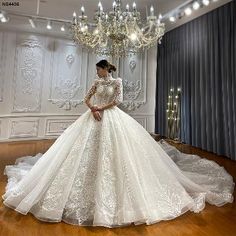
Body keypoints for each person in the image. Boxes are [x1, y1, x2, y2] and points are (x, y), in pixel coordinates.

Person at [2, 60, 234, 228]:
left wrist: (100, 109)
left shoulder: (117, 81)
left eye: (99, 69)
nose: (97, 72)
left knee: (118, 153)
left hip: (111, 117)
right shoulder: (96, 82)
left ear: (106, 69)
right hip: (93, 117)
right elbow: (85, 97)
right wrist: (91, 108)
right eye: (96, 70)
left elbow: (118, 100)